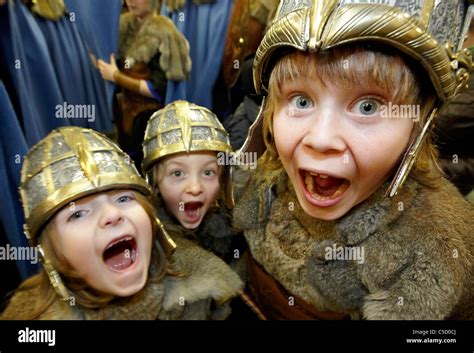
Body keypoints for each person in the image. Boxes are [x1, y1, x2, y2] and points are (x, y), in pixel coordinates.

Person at [233, 0, 474, 320]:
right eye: (301, 101)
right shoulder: (262, 181)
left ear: (419, 123)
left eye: (367, 107)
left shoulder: (436, 256)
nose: (320, 138)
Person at [1, 126, 242, 320]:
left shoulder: (204, 293)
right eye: (77, 214)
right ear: (51, 253)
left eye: (124, 198)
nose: (111, 214)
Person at [142, 100, 244, 262]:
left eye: (208, 172)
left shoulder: (237, 238)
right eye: (177, 174)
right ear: (154, 185)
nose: (195, 188)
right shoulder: (146, 252)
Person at [98, 0, 191, 167]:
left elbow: (157, 90)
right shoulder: (123, 26)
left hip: (147, 119)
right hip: (123, 115)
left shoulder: (165, 33)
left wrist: (116, 77)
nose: (131, 1)